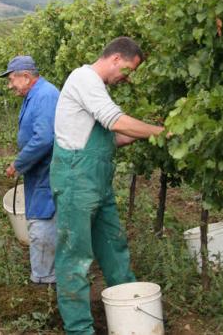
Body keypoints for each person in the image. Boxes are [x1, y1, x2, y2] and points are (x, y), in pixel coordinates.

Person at [50, 36, 167, 334]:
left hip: (97, 183)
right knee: (75, 257)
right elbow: (115, 121)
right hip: (77, 181)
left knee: (114, 247)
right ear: (115, 58)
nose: (126, 78)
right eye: (127, 70)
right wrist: (163, 132)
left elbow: (111, 138)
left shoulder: (97, 87)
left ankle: (130, 311)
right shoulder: (84, 78)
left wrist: (148, 131)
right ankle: (79, 329)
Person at [0, 55, 59, 285]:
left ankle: (44, 279)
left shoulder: (45, 95)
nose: (9, 85)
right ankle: (45, 273)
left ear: (26, 76)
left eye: (12, 79)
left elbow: (44, 138)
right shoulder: (34, 94)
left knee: (42, 220)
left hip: (47, 170)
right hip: (39, 171)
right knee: (41, 216)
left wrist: (19, 163)